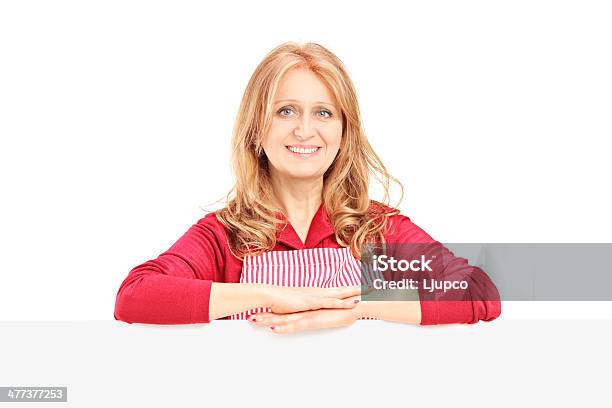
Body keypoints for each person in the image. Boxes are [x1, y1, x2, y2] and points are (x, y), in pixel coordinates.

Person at [114, 41, 501, 333]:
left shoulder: (378, 229)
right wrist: (269, 295)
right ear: (255, 131)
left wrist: (359, 305)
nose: (304, 129)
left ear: (343, 132)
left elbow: (479, 292)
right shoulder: (222, 236)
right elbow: (134, 296)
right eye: (285, 111)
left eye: (323, 112)